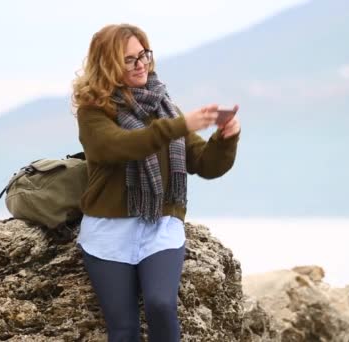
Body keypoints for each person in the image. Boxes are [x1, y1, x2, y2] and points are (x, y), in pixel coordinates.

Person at [71, 23, 240, 342]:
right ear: (108, 65)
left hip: (161, 225)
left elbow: (204, 163)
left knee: (161, 304)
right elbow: (121, 146)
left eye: (144, 55)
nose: (141, 64)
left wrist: (225, 138)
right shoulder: (93, 113)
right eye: (130, 59)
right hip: (108, 232)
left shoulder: (164, 107)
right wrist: (179, 125)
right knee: (123, 330)